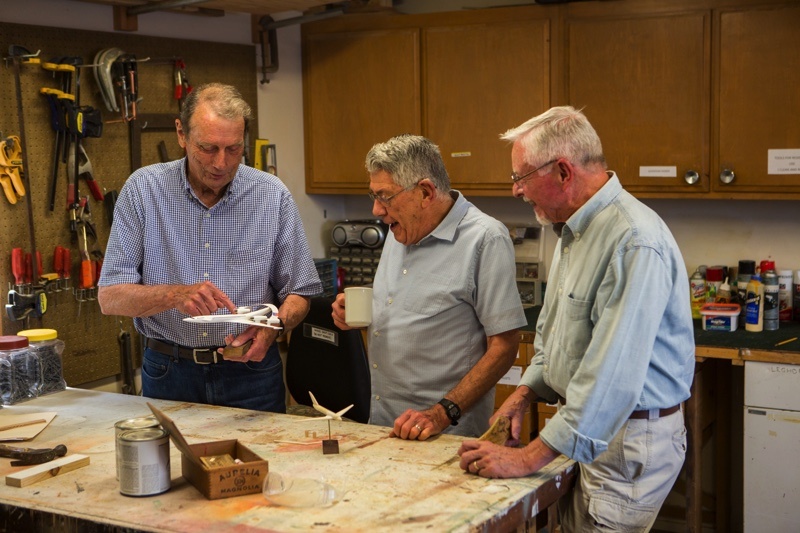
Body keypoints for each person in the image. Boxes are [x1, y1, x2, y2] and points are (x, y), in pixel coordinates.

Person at [457, 106, 695, 531]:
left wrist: (529, 457)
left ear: (563, 171)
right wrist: (524, 394)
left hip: (623, 439)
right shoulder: (574, 229)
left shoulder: (632, 240)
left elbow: (611, 376)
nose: (515, 191)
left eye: (521, 177)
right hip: (587, 429)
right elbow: (556, 337)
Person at [98, 83, 322, 413]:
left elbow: (301, 291)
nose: (221, 163)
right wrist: (174, 296)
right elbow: (110, 297)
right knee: (169, 464)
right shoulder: (143, 191)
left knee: (265, 463)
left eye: (233, 149)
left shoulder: (271, 195)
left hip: (251, 373)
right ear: (181, 133)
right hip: (169, 371)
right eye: (208, 148)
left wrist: (274, 327)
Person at [331, 134, 527, 439]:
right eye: (373, 196)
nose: (377, 210)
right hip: (383, 423)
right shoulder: (403, 230)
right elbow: (410, 306)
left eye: (385, 196)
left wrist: (441, 413)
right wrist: (357, 315)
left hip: (445, 433)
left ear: (425, 192)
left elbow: (505, 346)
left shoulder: (485, 239)